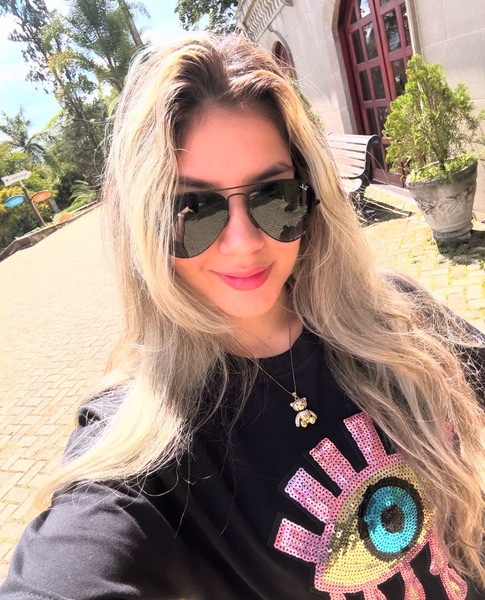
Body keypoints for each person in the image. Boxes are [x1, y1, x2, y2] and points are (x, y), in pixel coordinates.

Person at [1, 34, 484, 600]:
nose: (244, 240)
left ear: (310, 194)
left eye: (272, 194)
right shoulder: (147, 451)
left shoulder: (398, 314)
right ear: (146, 226)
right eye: (193, 208)